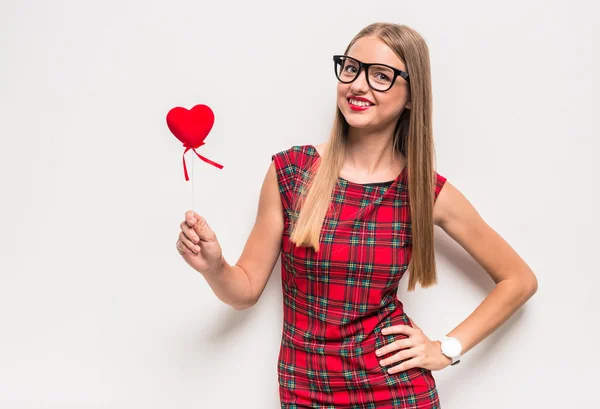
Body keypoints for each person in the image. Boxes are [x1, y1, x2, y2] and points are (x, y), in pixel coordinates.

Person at [175, 22, 538, 409]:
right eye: (351, 68)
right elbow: (244, 292)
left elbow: (519, 279)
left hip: (395, 393)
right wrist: (212, 266)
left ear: (412, 95)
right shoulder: (292, 172)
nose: (358, 85)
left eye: (380, 76)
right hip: (305, 392)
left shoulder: (422, 191)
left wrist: (446, 349)